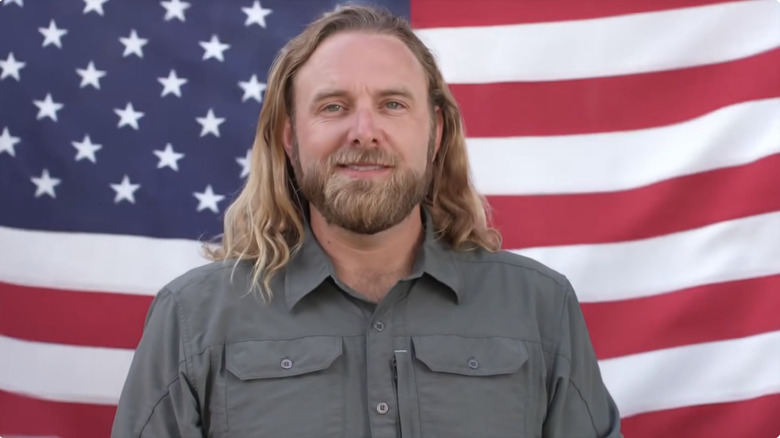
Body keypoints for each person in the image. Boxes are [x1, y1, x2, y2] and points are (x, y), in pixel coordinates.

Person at [111, 4, 622, 438]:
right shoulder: (193, 319)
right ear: (290, 139)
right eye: (333, 106)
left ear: (436, 132)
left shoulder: (540, 309)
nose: (364, 132)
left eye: (392, 104)